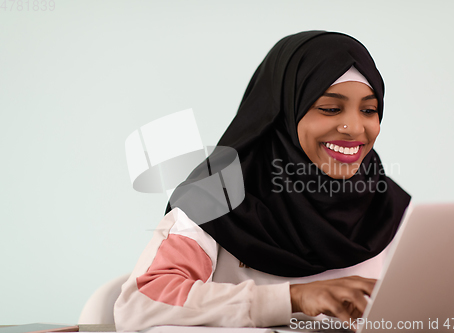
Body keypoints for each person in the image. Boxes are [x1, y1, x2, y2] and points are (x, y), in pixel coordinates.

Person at [114, 31, 411, 331]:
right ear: (284, 112)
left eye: (369, 110)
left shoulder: (390, 210)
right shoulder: (214, 199)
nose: (354, 128)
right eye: (330, 109)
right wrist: (290, 299)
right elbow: (141, 303)